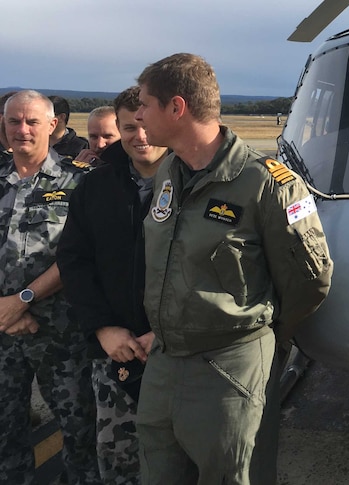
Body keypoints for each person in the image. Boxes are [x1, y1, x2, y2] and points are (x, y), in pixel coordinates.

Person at [133, 53, 333, 485]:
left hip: (228, 369)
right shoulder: (170, 170)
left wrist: (263, 335)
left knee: (231, 475)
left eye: (145, 104)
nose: (138, 114)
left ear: (176, 108)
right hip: (166, 361)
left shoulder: (268, 184)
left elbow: (310, 279)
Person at [56, 86, 170, 484]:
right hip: (115, 354)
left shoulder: (196, 185)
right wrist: (103, 328)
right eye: (127, 128)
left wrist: (168, 331)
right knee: (118, 458)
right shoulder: (95, 188)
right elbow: (74, 261)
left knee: (181, 459)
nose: (139, 137)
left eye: (144, 125)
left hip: (180, 350)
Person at [0, 90, 100, 484]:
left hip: (62, 335)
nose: (21, 130)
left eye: (31, 122)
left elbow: (81, 255)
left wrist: (23, 300)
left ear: (52, 125)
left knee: (78, 433)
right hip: (3, 332)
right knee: (5, 434)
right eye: (12, 121)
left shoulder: (81, 182)